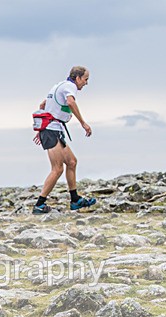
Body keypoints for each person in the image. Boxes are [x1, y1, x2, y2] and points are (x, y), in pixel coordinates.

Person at [32, 66, 97, 214]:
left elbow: (43, 105)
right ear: (78, 78)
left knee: (72, 162)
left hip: (53, 129)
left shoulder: (59, 85)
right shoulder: (70, 86)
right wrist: (83, 123)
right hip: (52, 130)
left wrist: (43, 127)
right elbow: (70, 102)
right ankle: (39, 205)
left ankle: (75, 201)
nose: (86, 83)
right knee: (57, 169)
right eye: (85, 79)